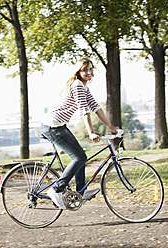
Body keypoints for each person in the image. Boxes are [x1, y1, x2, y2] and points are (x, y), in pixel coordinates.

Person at [41, 57, 119, 209]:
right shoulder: (77, 85)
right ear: (78, 72)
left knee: (80, 155)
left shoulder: (83, 87)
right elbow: (85, 111)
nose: (89, 72)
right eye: (85, 70)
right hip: (52, 127)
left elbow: (96, 107)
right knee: (79, 157)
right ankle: (56, 189)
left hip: (59, 126)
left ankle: (80, 192)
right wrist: (91, 132)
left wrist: (110, 126)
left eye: (90, 69)